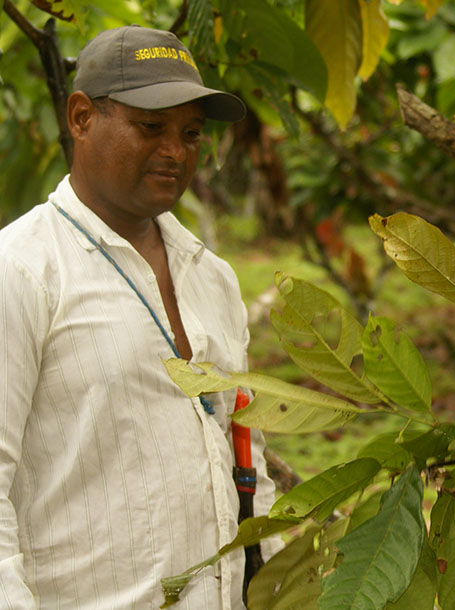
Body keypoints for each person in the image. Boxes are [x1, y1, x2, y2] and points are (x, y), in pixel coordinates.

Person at [0, 26, 278, 608]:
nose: (175, 151)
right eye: (150, 128)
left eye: (192, 133)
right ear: (80, 117)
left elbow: (244, 457)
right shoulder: (21, 270)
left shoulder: (213, 277)